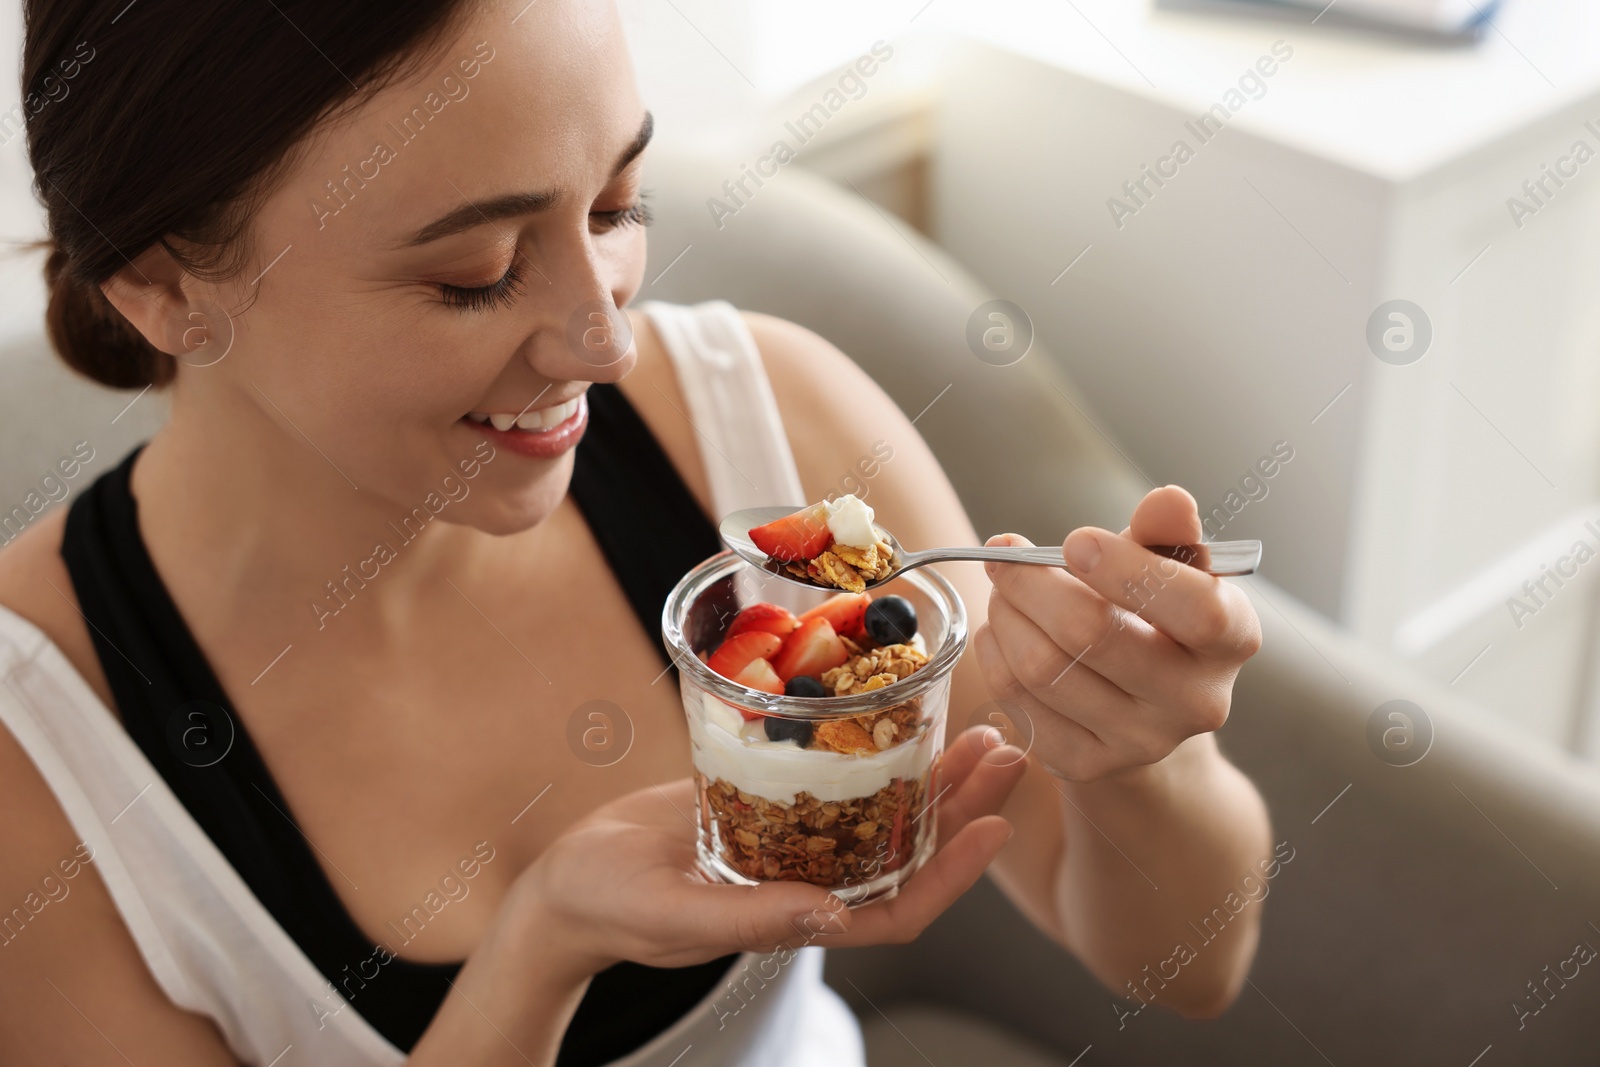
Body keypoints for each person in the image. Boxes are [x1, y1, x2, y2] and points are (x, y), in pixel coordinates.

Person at [0, 0, 1272, 1063]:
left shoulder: (764, 420)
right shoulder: (39, 756)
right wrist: (541, 952)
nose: (604, 341)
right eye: (476, 271)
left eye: (612, 208)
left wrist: (1135, 753)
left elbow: (1189, 964)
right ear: (165, 286)